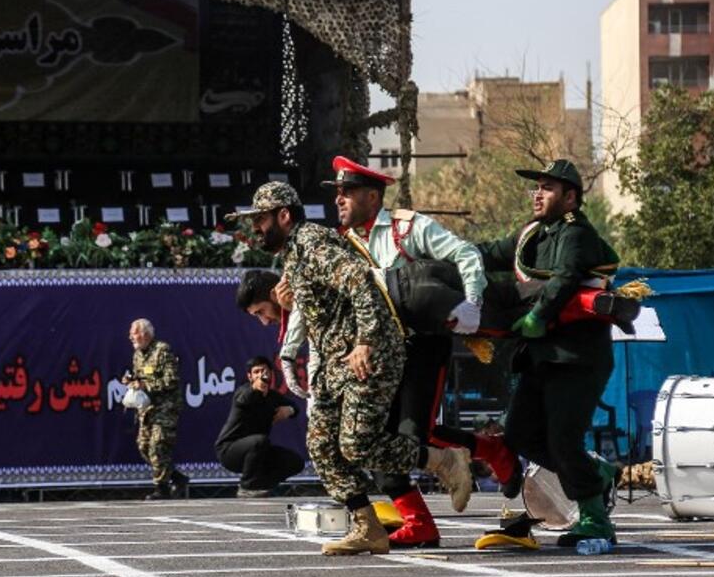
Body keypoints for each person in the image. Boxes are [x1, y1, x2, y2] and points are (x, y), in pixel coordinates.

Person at [226, 182, 472, 556]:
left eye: (260, 219)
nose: (255, 228)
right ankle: (367, 526)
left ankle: (444, 459)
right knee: (322, 446)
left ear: (284, 215)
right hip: (335, 363)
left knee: (357, 445)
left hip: (369, 353)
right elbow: (322, 304)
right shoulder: (294, 253)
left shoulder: (311, 242)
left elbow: (360, 283)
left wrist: (366, 341)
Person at [309, 155, 519, 549]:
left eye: (347, 192)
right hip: (379, 352)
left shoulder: (408, 228)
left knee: (412, 434)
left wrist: (472, 302)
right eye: (337, 192)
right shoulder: (344, 245)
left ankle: (493, 450)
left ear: (373, 197)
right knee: (375, 440)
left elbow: (467, 255)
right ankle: (420, 522)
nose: (339, 200)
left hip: (422, 344)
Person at [475, 159, 620, 547]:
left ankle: (595, 518)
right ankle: (596, 474)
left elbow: (567, 277)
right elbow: (491, 252)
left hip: (576, 358)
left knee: (562, 441)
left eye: (548, 188)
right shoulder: (533, 234)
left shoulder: (576, 234)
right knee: (521, 433)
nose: (538, 194)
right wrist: (445, 253)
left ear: (570, 198)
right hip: (542, 357)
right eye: (536, 187)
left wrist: (538, 314)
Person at [215, 356, 305, 497]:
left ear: (271, 373)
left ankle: (261, 485)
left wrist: (289, 410)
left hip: (258, 452)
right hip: (230, 451)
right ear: (249, 376)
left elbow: (295, 407)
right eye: (256, 372)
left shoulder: (273, 397)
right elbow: (243, 399)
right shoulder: (243, 391)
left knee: (295, 462)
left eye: (264, 371)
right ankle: (247, 486)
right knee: (260, 441)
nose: (261, 375)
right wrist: (255, 389)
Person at [121, 318, 189, 500]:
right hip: (147, 408)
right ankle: (176, 477)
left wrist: (146, 386)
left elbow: (171, 380)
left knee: (157, 445)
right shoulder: (137, 355)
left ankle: (161, 488)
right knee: (143, 446)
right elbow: (139, 376)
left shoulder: (162, 350)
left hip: (166, 407)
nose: (130, 337)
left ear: (145, 334)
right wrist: (131, 381)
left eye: (133, 333)